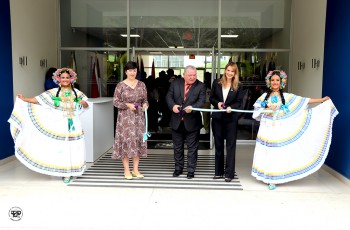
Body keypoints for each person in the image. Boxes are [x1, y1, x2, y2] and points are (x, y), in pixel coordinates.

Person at [251, 70, 338, 190]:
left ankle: (274, 178)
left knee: (277, 153)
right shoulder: (263, 97)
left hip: (278, 129)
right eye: (273, 80)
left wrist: (321, 100)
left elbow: (304, 101)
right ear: (269, 82)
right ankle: (266, 176)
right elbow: (256, 112)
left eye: (277, 80)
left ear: (281, 82)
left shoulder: (287, 97)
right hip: (266, 128)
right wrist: (267, 107)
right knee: (266, 152)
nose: (275, 82)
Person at [8, 68, 89, 183]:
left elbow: (86, 105)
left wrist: (83, 102)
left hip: (74, 125)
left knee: (75, 147)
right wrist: (24, 99)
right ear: (58, 79)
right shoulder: (52, 92)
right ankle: (65, 173)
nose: (65, 80)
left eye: (67, 78)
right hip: (59, 125)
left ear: (71, 79)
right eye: (63, 78)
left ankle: (73, 171)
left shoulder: (77, 92)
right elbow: (38, 100)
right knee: (62, 148)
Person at [166, 65, 206, 179]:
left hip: (192, 122)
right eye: (190, 75)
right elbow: (168, 96)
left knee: (192, 148)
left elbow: (202, 101)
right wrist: (172, 106)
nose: (192, 77)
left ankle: (191, 170)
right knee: (177, 147)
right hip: (176, 121)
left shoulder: (200, 86)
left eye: (194, 75)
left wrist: (193, 107)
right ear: (184, 75)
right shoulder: (175, 83)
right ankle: (178, 168)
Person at [112, 61, 148, 180]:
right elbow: (115, 102)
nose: (132, 72)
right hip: (125, 119)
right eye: (130, 70)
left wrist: (146, 105)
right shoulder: (120, 85)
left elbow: (145, 100)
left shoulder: (142, 84)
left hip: (138, 118)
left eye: (134, 70)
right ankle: (127, 170)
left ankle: (136, 169)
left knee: (137, 142)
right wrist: (127, 105)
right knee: (126, 142)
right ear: (125, 72)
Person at [209, 62, 244, 182]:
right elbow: (211, 98)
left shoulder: (239, 85)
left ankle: (229, 174)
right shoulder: (216, 83)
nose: (229, 73)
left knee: (230, 146)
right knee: (218, 145)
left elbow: (240, 102)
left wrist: (231, 107)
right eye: (228, 70)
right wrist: (217, 103)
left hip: (231, 119)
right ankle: (218, 172)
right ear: (225, 70)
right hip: (218, 118)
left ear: (235, 73)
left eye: (232, 71)